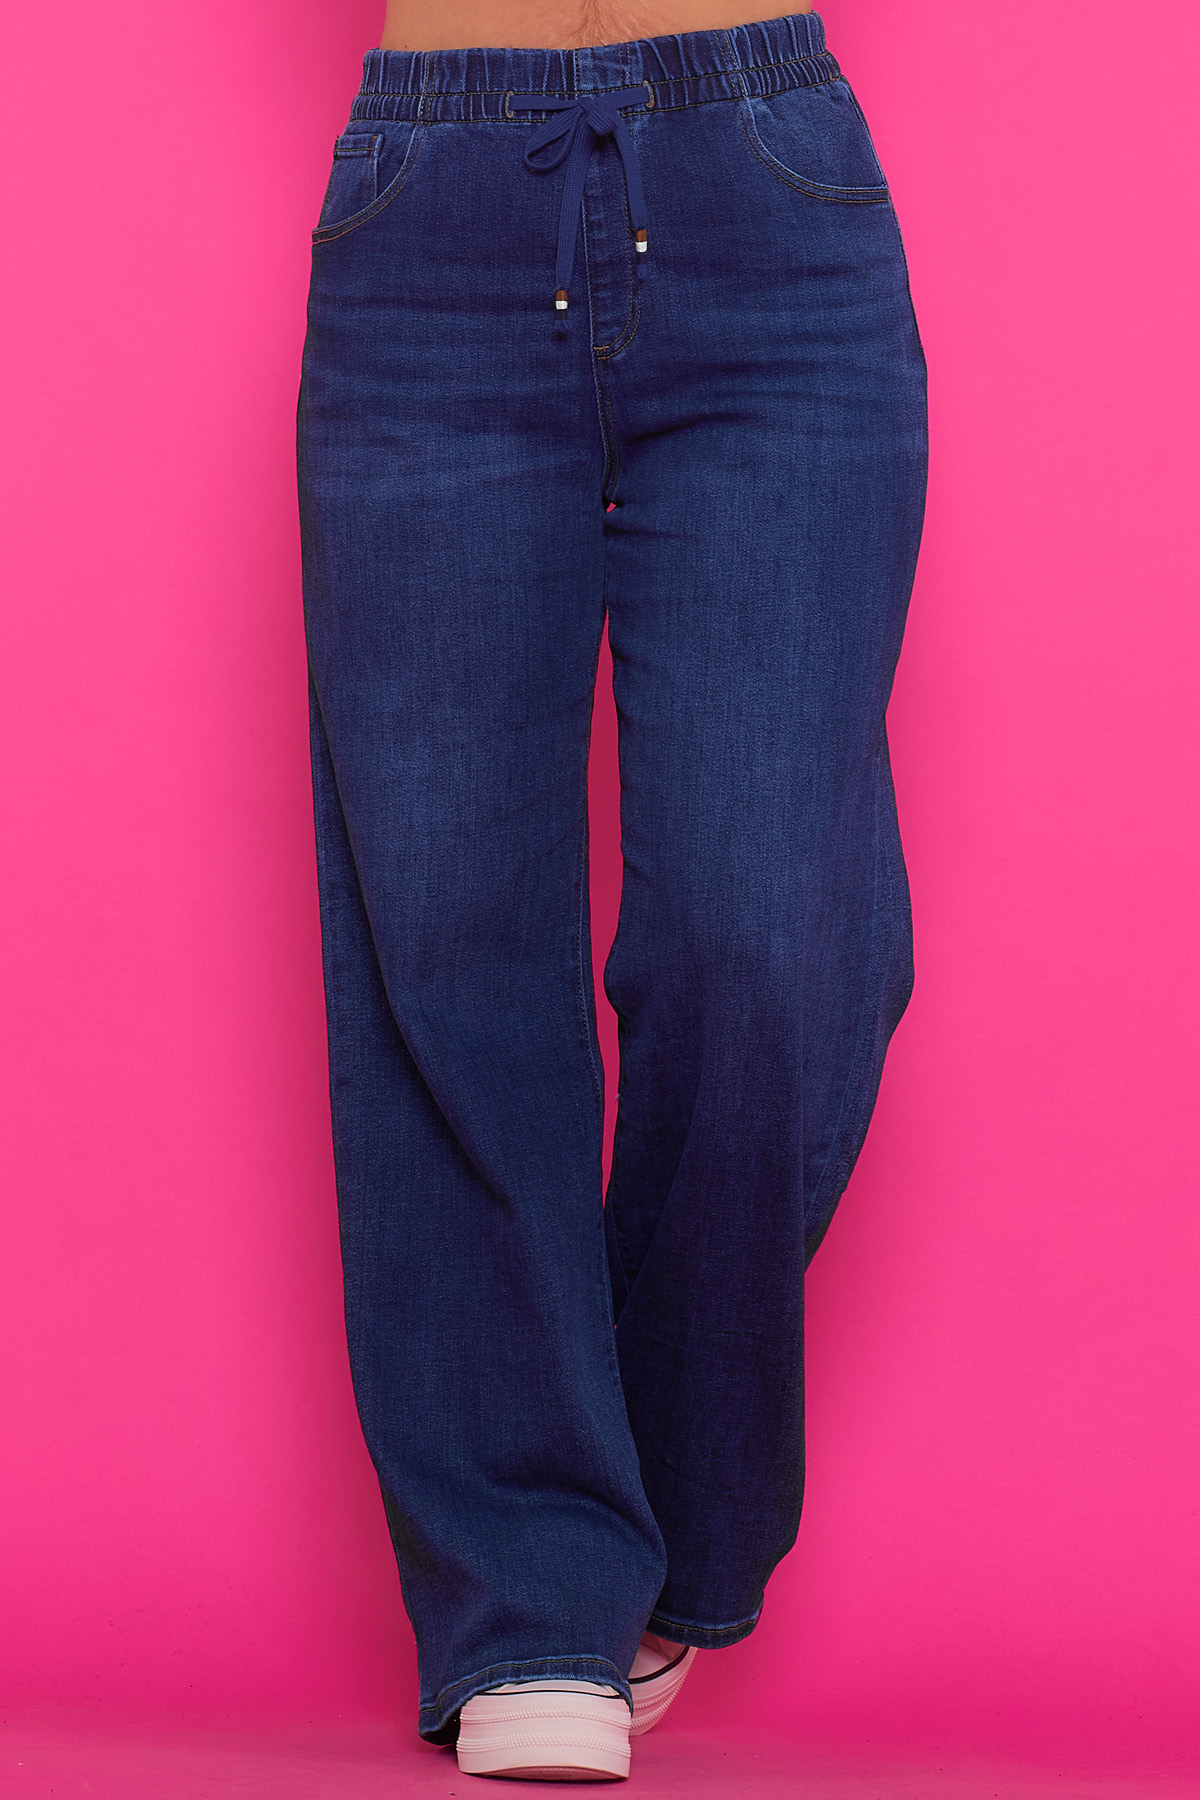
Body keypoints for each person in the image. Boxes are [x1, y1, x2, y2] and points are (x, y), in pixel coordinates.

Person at [296, 0, 926, 1778]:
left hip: (769, 202)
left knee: (764, 937)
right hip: (432, 218)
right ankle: (535, 1595)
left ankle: (662, 1497)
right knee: (446, 937)